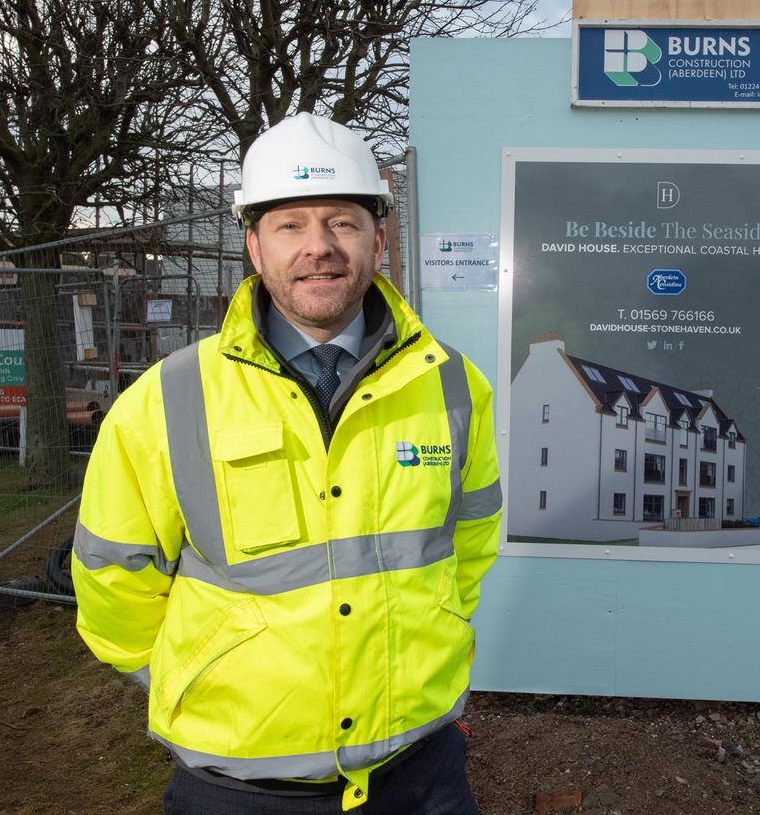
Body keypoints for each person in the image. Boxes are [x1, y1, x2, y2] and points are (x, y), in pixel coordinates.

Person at [72, 113, 502, 814]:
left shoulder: (454, 384)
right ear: (254, 244)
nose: (320, 248)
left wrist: (433, 638)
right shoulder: (171, 396)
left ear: (379, 240)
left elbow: (470, 546)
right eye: (291, 225)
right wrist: (194, 675)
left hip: (420, 775)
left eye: (342, 222)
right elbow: (112, 578)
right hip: (237, 789)